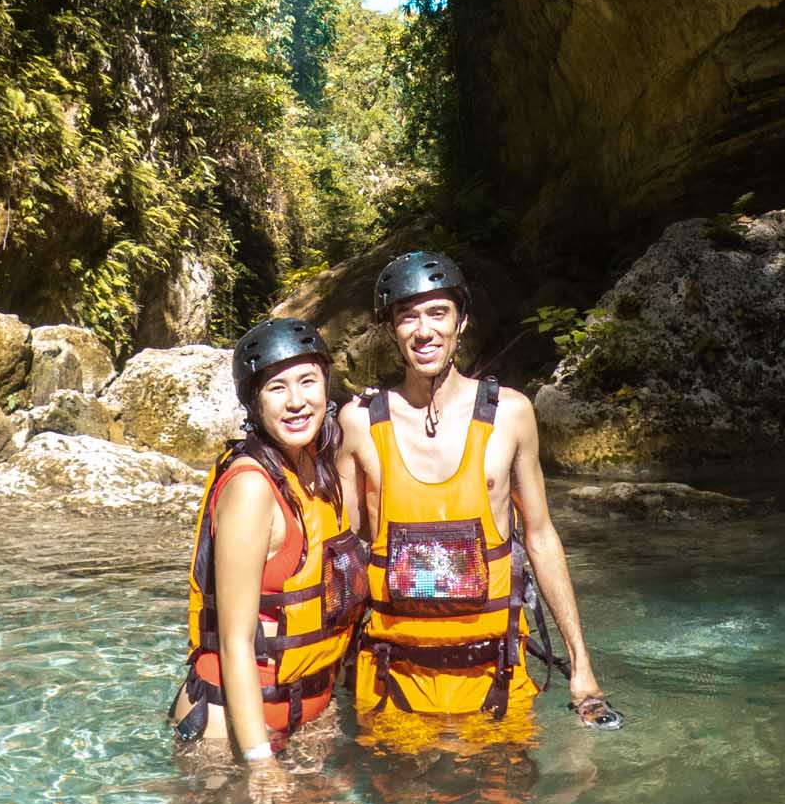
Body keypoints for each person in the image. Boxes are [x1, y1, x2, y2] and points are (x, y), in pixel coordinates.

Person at [338, 249, 623, 730]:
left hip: (494, 674)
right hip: (392, 677)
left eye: (438, 313)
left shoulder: (511, 414)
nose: (423, 330)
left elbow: (540, 537)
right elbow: (340, 550)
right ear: (391, 330)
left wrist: (582, 667)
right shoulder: (359, 423)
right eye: (408, 317)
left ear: (462, 322)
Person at [170, 315, 368, 768]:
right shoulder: (252, 489)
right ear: (254, 403)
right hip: (234, 731)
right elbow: (237, 641)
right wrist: (259, 762)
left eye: (308, 382)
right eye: (277, 388)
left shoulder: (314, 468)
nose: (297, 402)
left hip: (301, 713)